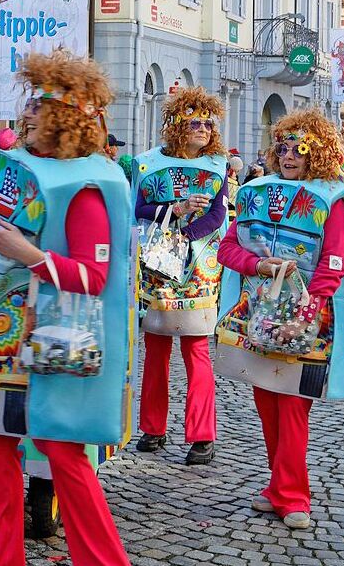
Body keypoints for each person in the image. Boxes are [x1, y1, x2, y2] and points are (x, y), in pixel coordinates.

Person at [0, 52, 133, 566]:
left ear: (63, 119)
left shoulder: (87, 186)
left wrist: (31, 257)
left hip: (50, 341)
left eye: (36, 105)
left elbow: (93, 278)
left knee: (66, 456)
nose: (25, 113)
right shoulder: (17, 169)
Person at [216, 109, 344, 530]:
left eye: (299, 149)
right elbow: (227, 250)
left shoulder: (332, 198)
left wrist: (309, 310)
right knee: (266, 400)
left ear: (318, 153)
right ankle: (278, 487)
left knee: (292, 405)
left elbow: (335, 260)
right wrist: (258, 266)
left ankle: (293, 495)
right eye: (283, 147)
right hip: (256, 313)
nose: (289, 156)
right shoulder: (253, 191)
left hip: (307, 318)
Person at [132, 86, 227, 465]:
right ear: (176, 126)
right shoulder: (148, 163)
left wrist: (188, 234)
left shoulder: (217, 165)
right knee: (155, 350)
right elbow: (139, 207)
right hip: (157, 266)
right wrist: (176, 210)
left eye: (208, 123)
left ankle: (202, 435)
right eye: (195, 123)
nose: (203, 129)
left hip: (199, 268)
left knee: (196, 350)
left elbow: (219, 213)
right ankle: (153, 427)